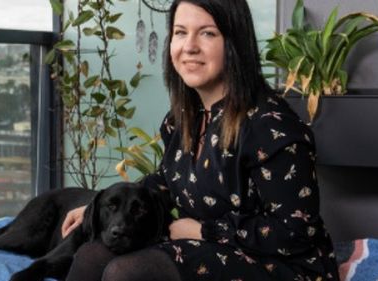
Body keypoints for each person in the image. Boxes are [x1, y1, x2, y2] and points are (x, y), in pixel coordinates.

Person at [61, 0, 339, 280]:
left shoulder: (270, 126)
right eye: (181, 32)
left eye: (207, 33)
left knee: (127, 272)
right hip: (210, 249)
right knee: (93, 255)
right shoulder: (181, 118)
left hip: (284, 267)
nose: (189, 46)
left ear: (234, 43)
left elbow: (294, 232)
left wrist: (203, 231)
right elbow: (167, 182)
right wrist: (102, 207)